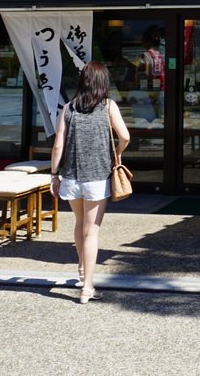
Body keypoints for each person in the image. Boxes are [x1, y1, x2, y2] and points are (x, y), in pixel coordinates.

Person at [49, 61, 129, 304]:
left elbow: (58, 145)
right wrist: (118, 152)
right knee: (91, 231)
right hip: (97, 177)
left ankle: (82, 268)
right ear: (103, 82)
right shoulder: (108, 106)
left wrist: (54, 175)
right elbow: (125, 136)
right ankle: (87, 287)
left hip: (71, 177)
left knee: (79, 222)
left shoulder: (69, 108)